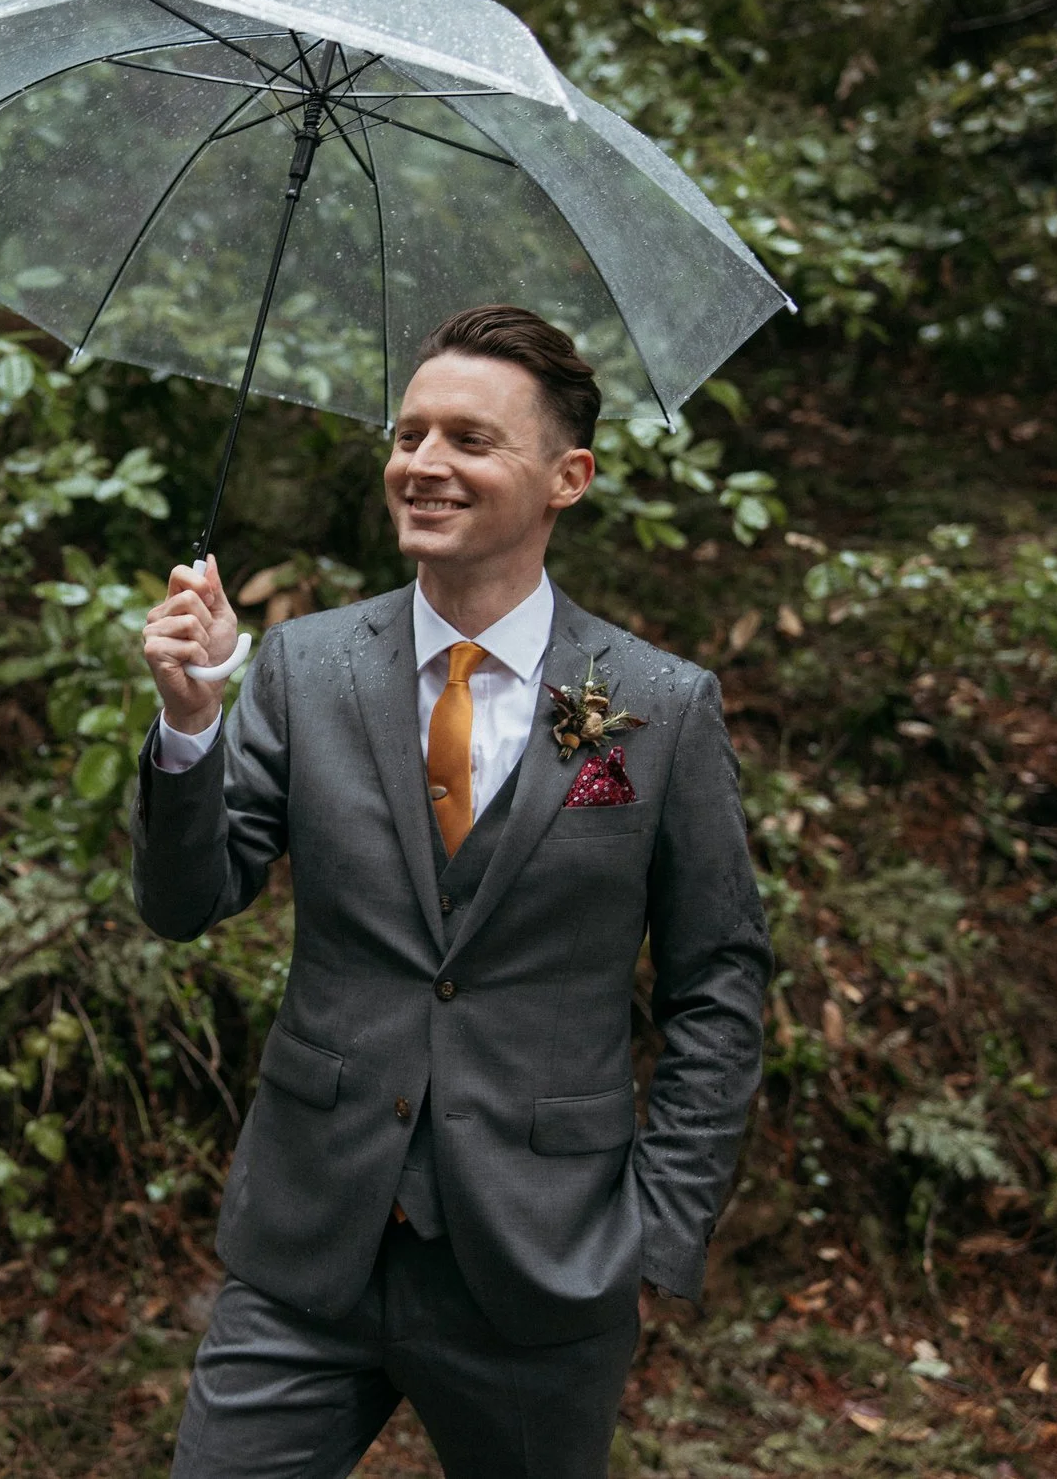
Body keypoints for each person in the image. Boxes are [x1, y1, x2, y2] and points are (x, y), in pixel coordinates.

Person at [132, 304, 770, 1479]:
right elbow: (188, 898)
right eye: (409, 432)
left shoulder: (659, 704)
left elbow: (716, 982)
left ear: (565, 476)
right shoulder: (306, 666)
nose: (421, 464)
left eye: (469, 439)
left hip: (545, 1262)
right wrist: (189, 722)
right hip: (309, 1247)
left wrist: (653, 1231)